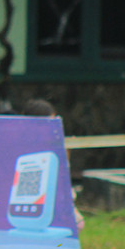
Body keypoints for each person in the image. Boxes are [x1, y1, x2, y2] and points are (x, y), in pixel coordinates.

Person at [21, 98, 85, 232]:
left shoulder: (57, 143)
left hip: (58, 202)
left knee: (76, 224)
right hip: (34, 204)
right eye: (50, 121)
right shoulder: (25, 147)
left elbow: (63, 174)